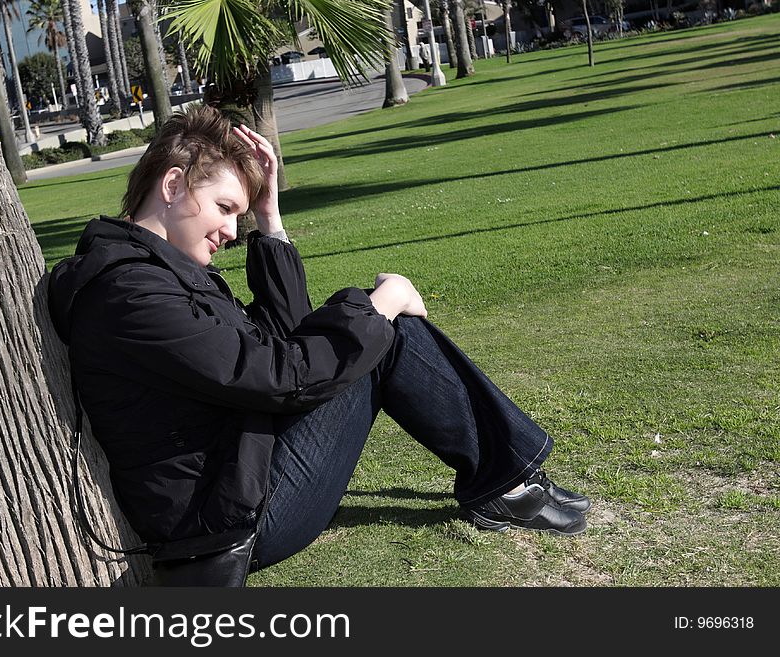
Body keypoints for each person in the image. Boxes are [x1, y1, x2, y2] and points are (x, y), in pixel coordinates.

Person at [48, 105, 590, 584]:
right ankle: (510, 485)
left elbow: (281, 335)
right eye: (225, 207)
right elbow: (278, 376)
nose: (232, 231)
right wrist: (381, 305)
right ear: (171, 186)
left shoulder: (156, 273)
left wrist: (270, 220)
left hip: (242, 470)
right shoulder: (130, 293)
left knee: (378, 323)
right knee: (386, 326)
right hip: (230, 523)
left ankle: (510, 480)